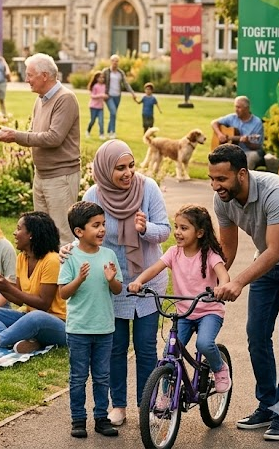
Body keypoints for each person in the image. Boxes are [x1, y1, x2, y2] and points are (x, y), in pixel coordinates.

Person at [208, 144, 279, 441]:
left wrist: (238, 283)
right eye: (212, 178)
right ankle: (267, 403)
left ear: (242, 174)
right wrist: (215, 278)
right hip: (267, 262)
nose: (215, 185)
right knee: (256, 334)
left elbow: (275, 250)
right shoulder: (223, 200)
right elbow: (228, 248)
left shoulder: (276, 191)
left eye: (222, 179)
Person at [80, 139, 170, 426]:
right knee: (115, 347)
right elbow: (84, 234)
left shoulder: (148, 188)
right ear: (106, 169)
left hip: (146, 281)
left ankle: (149, 403)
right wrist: (72, 248)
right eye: (120, 168)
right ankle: (118, 405)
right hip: (113, 283)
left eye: (130, 165)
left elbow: (165, 231)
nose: (127, 172)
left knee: (145, 346)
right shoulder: (94, 194)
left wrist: (146, 229)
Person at [127, 204, 232, 393]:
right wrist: (139, 281)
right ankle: (166, 396)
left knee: (204, 343)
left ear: (199, 233)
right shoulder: (174, 252)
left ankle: (219, 368)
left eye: (184, 228)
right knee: (169, 354)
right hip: (184, 312)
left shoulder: (209, 254)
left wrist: (222, 286)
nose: (177, 232)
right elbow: (154, 269)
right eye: (176, 227)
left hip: (209, 311)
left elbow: (223, 275)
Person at [0, 53, 81, 245]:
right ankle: (44, 275)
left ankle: (64, 276)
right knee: (41, 235)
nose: (26, 80)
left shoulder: (65, 98)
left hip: (60, 177)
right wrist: (13, 136)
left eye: (30, 75)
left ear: (44, 76)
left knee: (62, 236)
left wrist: (16, 135)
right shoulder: (40, 99)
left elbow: (54, 138)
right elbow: (34, 134)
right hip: (41, 176)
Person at [59, 201, 123, 439]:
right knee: (77, 377)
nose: (102, 229)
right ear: (79, 231)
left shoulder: (109, 255)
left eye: (103, 224)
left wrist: (111, 279)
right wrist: (79, 279)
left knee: (102, 376)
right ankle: (78, 419)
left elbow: (117, 290)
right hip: (78, 329)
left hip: (105, 328)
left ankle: (101, 418)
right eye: (96, 225)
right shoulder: (70, 257)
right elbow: (64, 292)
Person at [0, 211, 67, 352]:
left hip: (56, 323)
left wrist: (7, 287)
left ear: (31, 235)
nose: (14, 233)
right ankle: (15, 340)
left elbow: (43, 304)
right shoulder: (22, 257)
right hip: (29, 317)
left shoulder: (52, 260)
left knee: (36, 317)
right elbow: (19, 299)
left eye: (19, 228)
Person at [211, 96, 266, 170]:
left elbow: (257, 146)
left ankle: (245, 179)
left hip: (249, 151)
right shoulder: (232, 117)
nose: (236, 110)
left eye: (238, 107)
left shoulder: (257, 122)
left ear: (247, 108)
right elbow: (214, 123)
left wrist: (247, 142)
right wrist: (220, 134)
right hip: (232, 151)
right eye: (235, 107)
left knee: (250, 157)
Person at [100, 54, 136, 139]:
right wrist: (102, 93)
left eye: (117, 61)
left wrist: (132, 93)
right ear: (111, 61)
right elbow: (100, 82)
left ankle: (109, 131)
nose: (115, 63)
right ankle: (113, 132)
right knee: (113, 112)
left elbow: (126, 84)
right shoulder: (106, 71)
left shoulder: (120, 73)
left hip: (117, 96)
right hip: (109, 96)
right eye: (113, 61)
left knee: (113, 114)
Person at [86, 71, 107, 139]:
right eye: (100, 77)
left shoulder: (104, 86)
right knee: (92, 120)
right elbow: (92, 96)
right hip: (93, 107)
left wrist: (105, 97)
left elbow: (104, 95)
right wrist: (101, 95)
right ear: (97, 78)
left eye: (103, 77)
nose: (102, 79)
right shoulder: (95, 86)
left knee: (101, 121)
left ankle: (101, 134)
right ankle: (88, 131)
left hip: (100, 107)